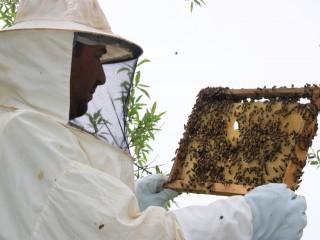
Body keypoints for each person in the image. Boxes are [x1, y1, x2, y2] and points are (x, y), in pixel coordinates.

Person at [0, 0, 307, 239]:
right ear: (58, 55)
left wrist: (133, 203)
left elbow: (66, 220)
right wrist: (248, 218)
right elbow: (117, 236)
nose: (101, 76)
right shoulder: (21, 132)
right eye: (97, 57)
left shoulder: (26, 133)